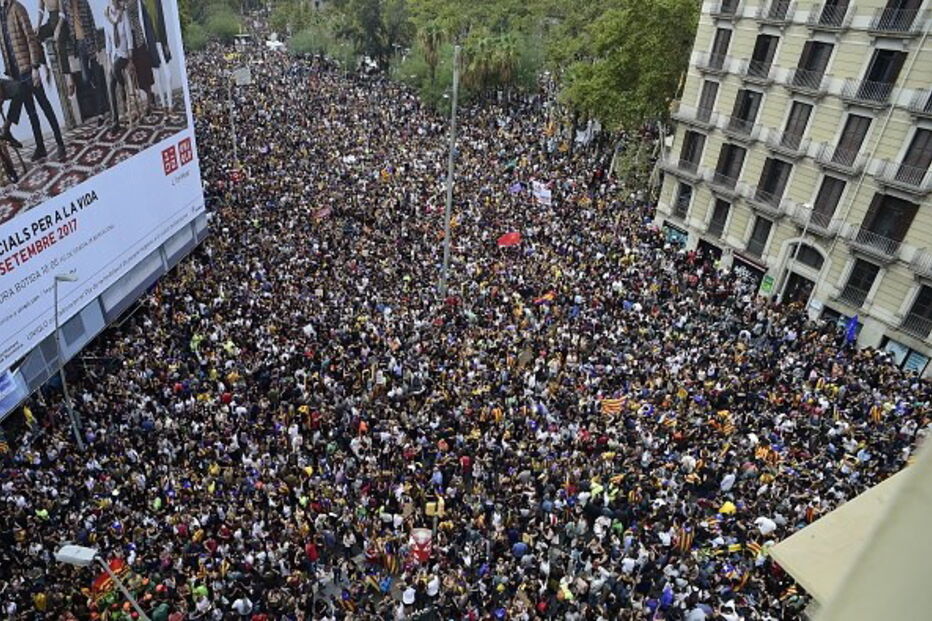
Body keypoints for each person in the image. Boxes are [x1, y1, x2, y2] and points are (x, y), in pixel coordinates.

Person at [0, 0, 65, 160]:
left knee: (44, 106)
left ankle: (60, 143)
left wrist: (35, 67)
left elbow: (31, 38)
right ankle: (40, 147)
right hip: (16, 75)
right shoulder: (1, 15)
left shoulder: (17, 8)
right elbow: (4, 46)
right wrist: (9, 71)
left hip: (29, 70)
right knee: (31, 113)